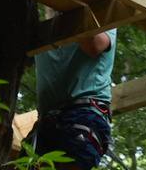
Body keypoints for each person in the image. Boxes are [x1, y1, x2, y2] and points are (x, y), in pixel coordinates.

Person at [33, 27, 116, 170]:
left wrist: (69, 11)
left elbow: (94, 45)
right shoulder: (39, 23)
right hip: (46, 122)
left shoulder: (101, 17)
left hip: (83, 112)